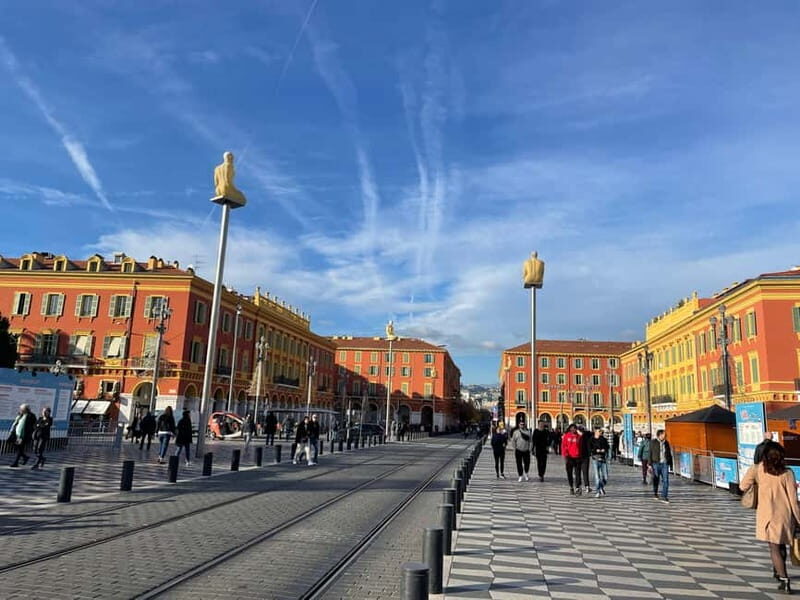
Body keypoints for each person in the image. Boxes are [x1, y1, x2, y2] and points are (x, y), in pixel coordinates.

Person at [741, 444, 800, 593]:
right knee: (781, 545)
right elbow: (793, 500)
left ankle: (784, 579)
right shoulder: (787, 473)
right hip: (785, 514)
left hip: (767, 515)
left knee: (774, 547)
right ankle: (781, 574)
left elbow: (742, 486)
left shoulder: (758, 469)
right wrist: (798, 519)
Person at [649, 429, 672, 503]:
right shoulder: (653, 442)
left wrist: (670, 464)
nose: (665, 436)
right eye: (663, 435)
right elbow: (650, 453)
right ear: (659, 435)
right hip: (656, 463)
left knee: (666, 480)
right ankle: (655, 493)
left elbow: (669, 454)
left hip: (665, 464)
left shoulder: (666, 443)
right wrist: (649, 464)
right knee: (656, 479)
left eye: (665, 435)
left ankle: (664, 496)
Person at [561, 423, 583, 495]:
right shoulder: (566, 436)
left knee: (578, 473)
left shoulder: (579, 436)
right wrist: (565, 455)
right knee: (569, 473)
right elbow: (563, 446)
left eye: (575, 428)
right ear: (570, 429)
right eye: (572, 428)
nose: (573, 429)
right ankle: (571, 486)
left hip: (577, 457)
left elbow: (582, 445)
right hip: (569, 457)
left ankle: (578, 487)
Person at [509, 417, 532, 482]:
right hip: (518, 450)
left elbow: (531, 441)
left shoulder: (528, 432)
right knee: (519, 463)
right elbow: (513, 440)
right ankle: (520, 475)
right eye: (521, 424)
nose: (522, 425)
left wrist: (530, 448)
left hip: (526, 450)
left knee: (527, 463)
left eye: (523, 424)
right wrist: (514, 448)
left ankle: (526, 473)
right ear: (519, 425)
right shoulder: (516, 432)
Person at [589, 428, 610, 497]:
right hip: (595, 458)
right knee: (597, 476)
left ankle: (601, 487)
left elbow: (607, 447)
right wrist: (596, 450)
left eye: (601, 431)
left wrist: (604, 450)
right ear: (595, 432)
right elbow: (589, 449)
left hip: (603, 459)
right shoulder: (591, 439)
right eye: (599, 431)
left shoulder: (603, 439)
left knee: (605, 477)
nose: (600, 432)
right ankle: (598, 491)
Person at [578, 425, 592, 494]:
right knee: (581, 472)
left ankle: (584, 486)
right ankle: (582, 486)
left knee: (583, 472)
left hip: (582, 456)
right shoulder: (587, 436)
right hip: (580, 456)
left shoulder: (586, 436)